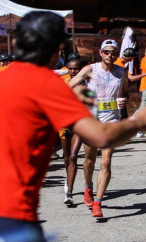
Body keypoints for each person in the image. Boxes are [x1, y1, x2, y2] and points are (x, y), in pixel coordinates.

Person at [0, 11, 146, 241]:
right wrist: (138, 123)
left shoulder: (4, 77)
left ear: (15, 42)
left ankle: (94, 197)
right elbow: (101, 137)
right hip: (12, 215)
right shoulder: (47, 84)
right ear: (57, 50)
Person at [68, 39, 131, 218]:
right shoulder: (90, 69)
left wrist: (123, 102)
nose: (110, 55)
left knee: (105, 162)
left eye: (113, 52)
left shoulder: (122, 72)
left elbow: (124, 92)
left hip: (111, 121)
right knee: (89, 160)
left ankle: (98, 202)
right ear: (101, 53)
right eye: (107, 52)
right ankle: (88, 187)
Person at [59, 55, 85, 205]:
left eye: (76, 68)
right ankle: (67, 176)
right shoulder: (63, 81)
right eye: (71, 68)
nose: (73, 71)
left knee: (74, 157)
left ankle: (69, 192)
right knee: (67, 156)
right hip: (64, 123)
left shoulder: (87, 83)